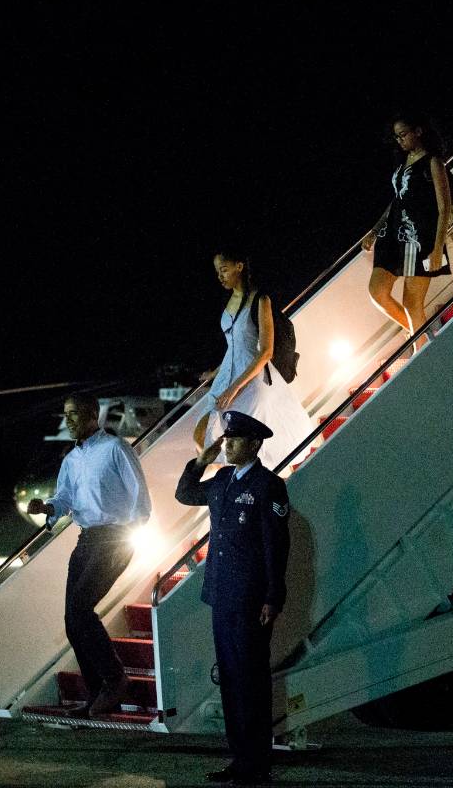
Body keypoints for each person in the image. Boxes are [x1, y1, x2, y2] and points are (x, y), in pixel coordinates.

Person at [176, 411, 291, 786]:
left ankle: (257, 763)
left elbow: (276, 544)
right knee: (229, 678)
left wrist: (273, 595)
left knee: (251, 679)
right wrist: (200, 462)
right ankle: (240, 759)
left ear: (254, 444)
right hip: (221, 592)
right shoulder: (223, 479)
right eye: (226, 439)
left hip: (250, 596)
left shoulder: (268, 486)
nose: (227, 445)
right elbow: (185, 494)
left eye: (235, 439)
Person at [27, 393, 153, 718]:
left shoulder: (115, 448)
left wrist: (131, 534)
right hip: (86, 540)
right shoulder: (71, 459)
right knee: (72, 621)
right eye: (65, 414)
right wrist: (48, 507)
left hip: (113, 538)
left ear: (92, 414)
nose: (67, 420)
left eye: (73, 413)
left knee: (81, 609)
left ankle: (115, 679)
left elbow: (140, 495)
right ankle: (97, 694)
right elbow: (65, 498)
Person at [193, 252, 315, 470]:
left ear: (239, 266)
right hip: (227, 378)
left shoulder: (260, 300)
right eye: (217, 272)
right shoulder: (229, 301)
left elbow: (266, 351)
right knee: (203, 436)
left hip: (249, 381)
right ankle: (235, 481)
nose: (220, 276)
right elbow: (234, 347)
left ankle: (244, 480)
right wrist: (215, 373)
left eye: (224, 270)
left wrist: (234, 388)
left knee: (235, 444)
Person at [362, 112, 453, 351]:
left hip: (419, 238)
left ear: (418, 131)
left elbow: (443, 207)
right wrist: (375, 229)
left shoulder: (433, 162)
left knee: (412, 303)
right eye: (397, 137)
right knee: (377, 291)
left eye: (403, 134)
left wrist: (438, 248)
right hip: (393, 235)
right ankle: (419, 334)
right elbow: (397, 200)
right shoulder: (403, 163)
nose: (400, 140)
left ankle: (421, 347)